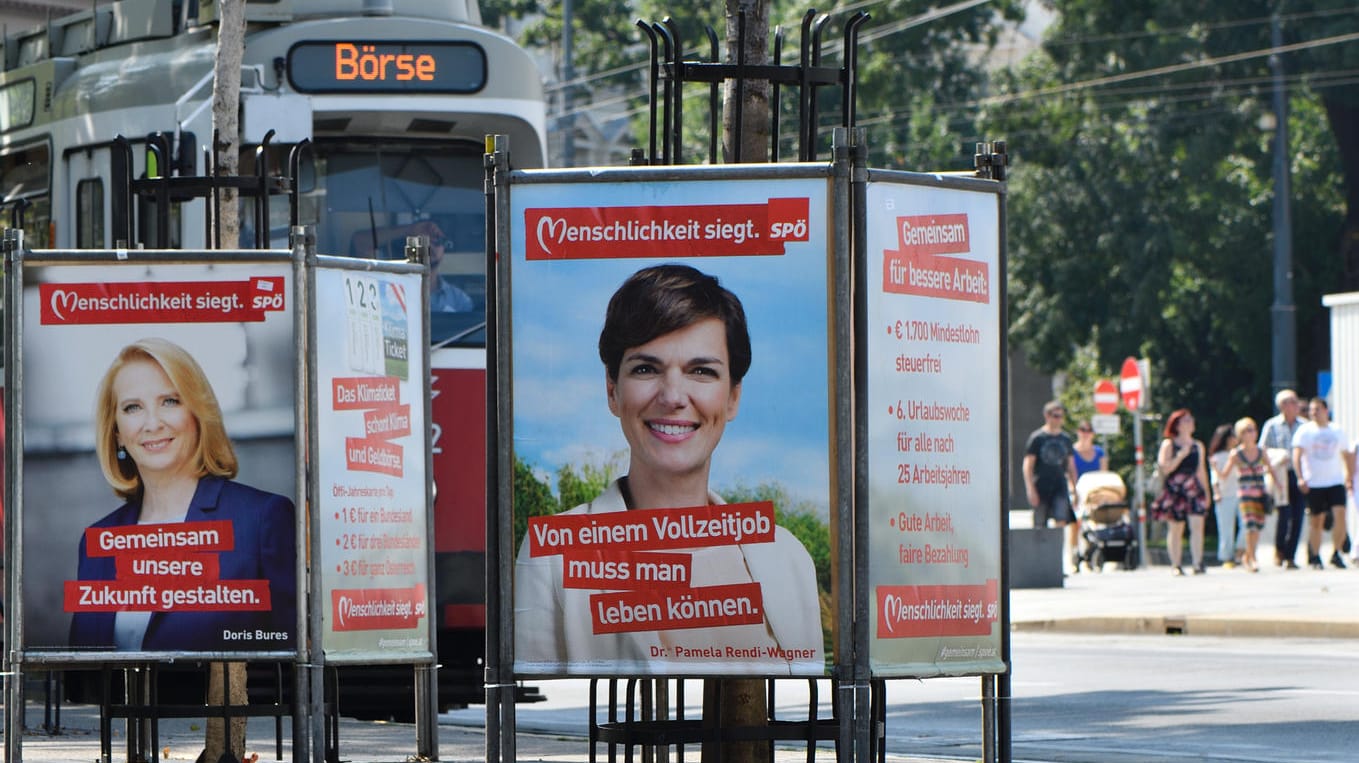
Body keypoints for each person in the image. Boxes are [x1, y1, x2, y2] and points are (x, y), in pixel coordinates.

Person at [514, 264, 823, 674]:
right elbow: (544, 730)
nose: (674, 396)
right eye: (646, 368)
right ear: (612, 391)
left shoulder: (787, 558)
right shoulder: (550, 556)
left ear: (733, 398)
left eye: (702, 371)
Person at [68, 338, 296, 651]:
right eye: (133, 407)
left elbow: (285, 667)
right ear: (117, 433)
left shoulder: (261, 521)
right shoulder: (98, 540)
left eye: (170, 401)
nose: (152, 423)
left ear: (198, 414)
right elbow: (80, 680)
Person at [1291, 397, 1353, 570]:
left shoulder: (1336, 430)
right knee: (1317, 520)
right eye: (1311, 410)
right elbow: (1297, 455)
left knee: (1340, 515)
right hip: (1315, 482)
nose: (1313, 413)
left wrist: (1348, 477)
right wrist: (1300, 477)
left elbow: (1347, 455)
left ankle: (1337, 552)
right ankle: (1315, 555)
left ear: (1326, 410)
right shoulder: (1305, 431)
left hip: (1335, 481)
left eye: (1317, 409)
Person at [1150, 409, 1210, 575]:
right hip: (1175, 489)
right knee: (1176, 528)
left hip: (1194, 488)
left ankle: (1198, 562)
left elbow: (1201, 470)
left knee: (1197, 525)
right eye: (1186, 420)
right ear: (1177, 424)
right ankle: (1176, 564)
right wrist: (1180, 455)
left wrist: (1207, 492)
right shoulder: (1169, 444)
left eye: (1191, 419)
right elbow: (1166, 468)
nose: (1190, 422)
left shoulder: (1198, 446)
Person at [1023, 401, 1079, 572]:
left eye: (1061, 416)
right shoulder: (1037, 438)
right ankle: (1039, 564)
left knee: (1061, 522)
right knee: (1040, 525)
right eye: (1055, 416)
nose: (1058, 419)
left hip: (1059, 485)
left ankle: (1058, 564)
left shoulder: (1065, 439)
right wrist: (1030, 488)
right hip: (1041, 485)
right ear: (1047, 416)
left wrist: (1075, 488)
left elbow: (1070, 465)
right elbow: (1028, 465)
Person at [1258, 389, 1307, 569]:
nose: (1296, 405)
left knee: (1298, 515)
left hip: (1299, 474)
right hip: (1280, 473)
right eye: (1291, 401)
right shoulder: (1272, 425)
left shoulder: (1304, 426)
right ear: (1283, 405)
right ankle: (1279, 550)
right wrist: (1275, 464)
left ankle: (1290, 556)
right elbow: (1262, 450)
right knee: (1284, 515)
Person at [1219, 417, 1274, 572]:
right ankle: (1252, 558)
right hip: (1245, 494)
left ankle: (1248, 555)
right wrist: (1215, 470)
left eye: (1252, 429)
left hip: (1260, 492)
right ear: (1240, 435)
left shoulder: (1261, 451)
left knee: (1258, 526)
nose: (1250, 433)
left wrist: (1278, 485)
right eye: (1246, 431)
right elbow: (1224, 475)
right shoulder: (1236, 454)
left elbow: (1270, 469)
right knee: (1249, 526)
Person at [1207, 423, 1241, 569]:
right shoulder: (1217, 457)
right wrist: (1216, 493)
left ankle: (1241, 551)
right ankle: (1227, 557)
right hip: (1225, 495)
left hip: (1240, 493)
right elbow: (1216, 477)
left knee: (1248, 525)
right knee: (1226, 529)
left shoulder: (1239, 453)